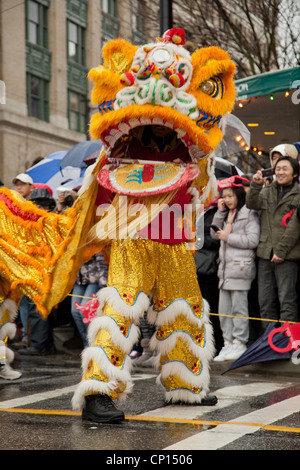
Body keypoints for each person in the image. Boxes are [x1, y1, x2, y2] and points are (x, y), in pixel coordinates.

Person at [246, 156, 300, 327]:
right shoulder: (267, 190)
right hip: (265, 254)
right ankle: (268, 344)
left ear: (295, 173)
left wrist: (281, 251)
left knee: (287, 300)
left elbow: (294, 227)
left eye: (285, 169)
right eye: (278, 169)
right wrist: (255, 184)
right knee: (265, 301)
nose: (280, 172)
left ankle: (288, 342)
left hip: (287, 256)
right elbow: (251, 204)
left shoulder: (298, 194)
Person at [210, 176, 260, 361]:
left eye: (231, 196)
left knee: (239, 309)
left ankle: (239, 342)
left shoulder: (249, 213)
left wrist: (228, 237)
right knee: (224, 310)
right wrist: (220, 213)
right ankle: (228, 342)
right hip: (225, 270)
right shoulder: (226, 213)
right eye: (225, 196)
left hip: (240, 269)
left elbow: (252, 240)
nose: (228, 200)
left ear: (239, 195)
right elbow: (213, 235)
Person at [19, 188, 57, 356]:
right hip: (33, 271)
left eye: (41, 205)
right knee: (35, 309)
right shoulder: (31, 223)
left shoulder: (51, 222)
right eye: (35, 205)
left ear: (48, 206)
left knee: (37, 309)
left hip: (44, 272)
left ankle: (38, 345)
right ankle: (45, 344)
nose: (37, 208)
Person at [71, 253, 108, 348]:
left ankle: (96, 344)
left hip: (95, 279)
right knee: (75, 311)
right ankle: (87, 345)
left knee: (85, 312)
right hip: (79, 279)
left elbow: (101, 259)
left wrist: (103, 284)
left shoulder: (93, 239)